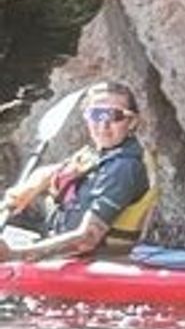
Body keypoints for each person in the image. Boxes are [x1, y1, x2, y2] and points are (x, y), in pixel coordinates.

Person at [1, 80, 158, 263]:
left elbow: (88, 238)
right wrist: (29, 187)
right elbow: (55, 171)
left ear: (131, 122)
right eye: (97, 114)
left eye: (115, 116)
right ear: (87, 117)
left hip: (98, 262)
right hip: (66, 252)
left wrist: (16, 255)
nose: (103, 124)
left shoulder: (125, 168)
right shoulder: (96, 154)